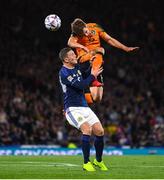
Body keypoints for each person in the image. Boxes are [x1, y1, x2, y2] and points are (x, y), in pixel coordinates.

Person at [59, 47, 108, 171]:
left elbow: (84, 75)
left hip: (84, 107)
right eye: (72, 55)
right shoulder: (64, 73)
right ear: (66, 59)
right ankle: (86, 163)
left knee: (100, 131)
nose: (75, 56)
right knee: (87, 129)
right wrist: (92, 75)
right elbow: (81, 84)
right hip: (72, 109)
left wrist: (91, 66)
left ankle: (98, 161)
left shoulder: (76, 68)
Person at [68, 18, 139, 103]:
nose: (86, 35)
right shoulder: (76, 32)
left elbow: (109, 39)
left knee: (96, 98)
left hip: (96, 62)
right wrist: (82, 47)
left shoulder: (95, 26)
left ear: (85, 25)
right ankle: (93, 78)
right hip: (84, 60)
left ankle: (73, 101)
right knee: (100, 50)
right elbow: (70, 43)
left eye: (86, 32)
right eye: (83, 35)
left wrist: (126, 48)